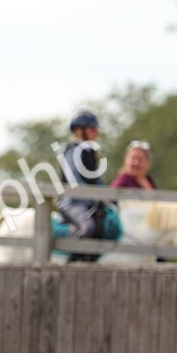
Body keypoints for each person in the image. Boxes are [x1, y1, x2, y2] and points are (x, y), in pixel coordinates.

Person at [57, 110, 110, 262]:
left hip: (88, 202)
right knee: (88, 227)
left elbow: (96, 179)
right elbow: (74, 180)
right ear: (80, 130)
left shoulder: (89, 151)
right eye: (92, 129)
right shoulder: (72, 151)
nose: (96, 133)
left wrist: (107, 196)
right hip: (73, 202)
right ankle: (70, 262)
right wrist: (93, 196)